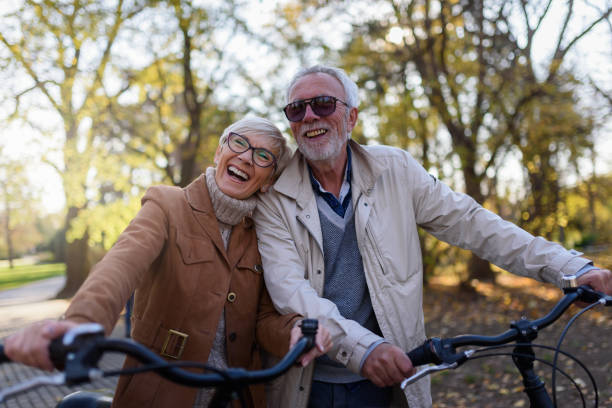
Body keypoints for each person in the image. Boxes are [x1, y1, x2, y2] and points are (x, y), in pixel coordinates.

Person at [253, 65, 612, 408]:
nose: (310, 116)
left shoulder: (396, 170)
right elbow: (290, 291)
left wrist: (569, 267)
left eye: (323, 104)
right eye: (296, 110)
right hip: (311, 384)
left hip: (398, 372)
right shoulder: (274, 196)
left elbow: (474, 224)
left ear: (351, 117)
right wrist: (363, 350)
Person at [4, 117, 332, 408]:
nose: (246, 157)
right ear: (220, 152)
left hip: (236, 394)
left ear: (269, 179)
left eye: (262, 156)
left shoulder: (263, 233)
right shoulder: (167, 204)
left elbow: (260, 319)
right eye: (239, 143)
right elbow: (121, 264)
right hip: (159, 390)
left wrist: (294, 332)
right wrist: (81, 323)